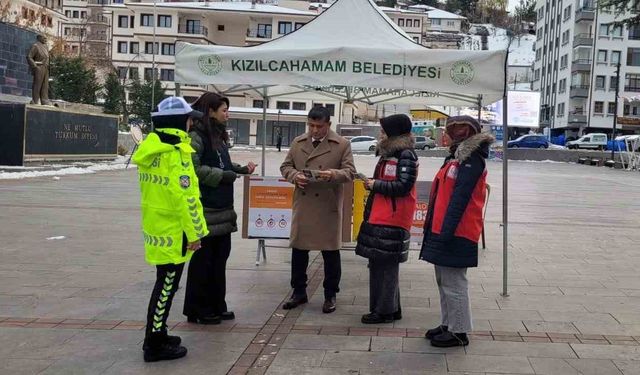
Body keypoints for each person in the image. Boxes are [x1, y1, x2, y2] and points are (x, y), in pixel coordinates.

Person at [132, 96, 209, 362]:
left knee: (164, 284)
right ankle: (154, 343)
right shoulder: (175, 154)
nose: (191, 124)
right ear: (179, 122)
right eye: (189, 119)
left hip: (157, 228)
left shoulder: (152, 149)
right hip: (175, 231)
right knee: (166, 287)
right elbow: (185, 198)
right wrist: (196, 233)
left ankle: (159, 332)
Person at [419, 116, 494, 347]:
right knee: (444, 280)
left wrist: (446, 231)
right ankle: (448, 323)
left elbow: (460, 199)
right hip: (443, 228)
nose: (450, 133)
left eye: (455, 130)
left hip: (457, 230)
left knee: (454, 282)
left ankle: (459, 331)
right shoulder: (454, 158)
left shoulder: (471, 160)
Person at [183, 92, 256, 324]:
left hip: (223, 206)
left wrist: (240, 169)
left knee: (219, 258)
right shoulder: (196, 136)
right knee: (204, 260)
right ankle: (198, 309)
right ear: (210, 111)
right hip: (206, 208)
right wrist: (223, 176)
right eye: (224, 110)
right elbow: (193, 170)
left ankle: (217, 304)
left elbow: (221, 162)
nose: (227, 114)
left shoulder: (218, 135)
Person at [280, 106, 355, 313]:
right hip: (304, 205)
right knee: (299, 250)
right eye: (311, 125)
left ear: (328, 125)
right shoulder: (298, 142)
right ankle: (298, 292)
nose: (314, 130)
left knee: (330, 253)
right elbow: (285, 167)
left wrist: (332, 174)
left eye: (319, 126)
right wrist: (295, 176)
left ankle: (330, 294)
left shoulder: (341, 144)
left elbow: (350, 172)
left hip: (327, 205)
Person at [355, 114, 418, 324]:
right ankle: (390, 308)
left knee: (386, 265)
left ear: (392, 132)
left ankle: (383, 312)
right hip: (381, 214)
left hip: (393, 216)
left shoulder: (405, 154)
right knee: (379, 263)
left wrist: (375, 185)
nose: (380, 134)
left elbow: (403, 186)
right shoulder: (389, 154)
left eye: (383, 130)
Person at [27, 34, 50, 105]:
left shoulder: (46, 46)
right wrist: (35, 66)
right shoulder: (35, 46)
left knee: (45, 84)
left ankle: (44, 100)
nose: (46, 39)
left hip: (46, 67)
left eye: (46, 38)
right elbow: (29, 56)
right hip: (39, 67)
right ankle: (35, 100)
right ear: (39, 38)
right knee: (37, 84)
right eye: (44, 38)